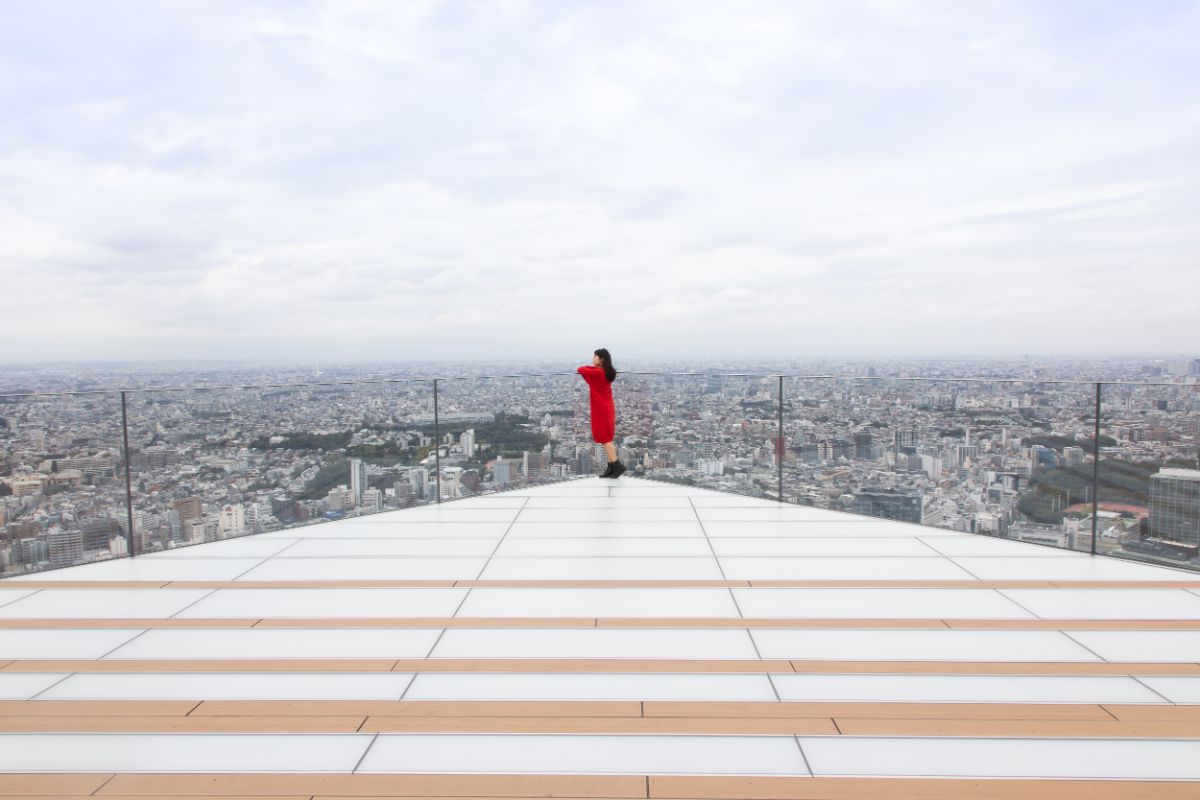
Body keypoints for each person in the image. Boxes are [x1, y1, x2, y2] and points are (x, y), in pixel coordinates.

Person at [577, 348, 625, 478]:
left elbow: (581, 369)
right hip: (606, 407)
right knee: (606, 438)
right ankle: (610, 467)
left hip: (600, 409)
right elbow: (589, 371)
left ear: (601, 359)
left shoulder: (598, 373)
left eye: (595, 357)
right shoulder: (607, 372)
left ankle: (616, 465)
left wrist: (590, 367)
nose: (593, 359)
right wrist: (594, 367)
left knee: (604, 438)